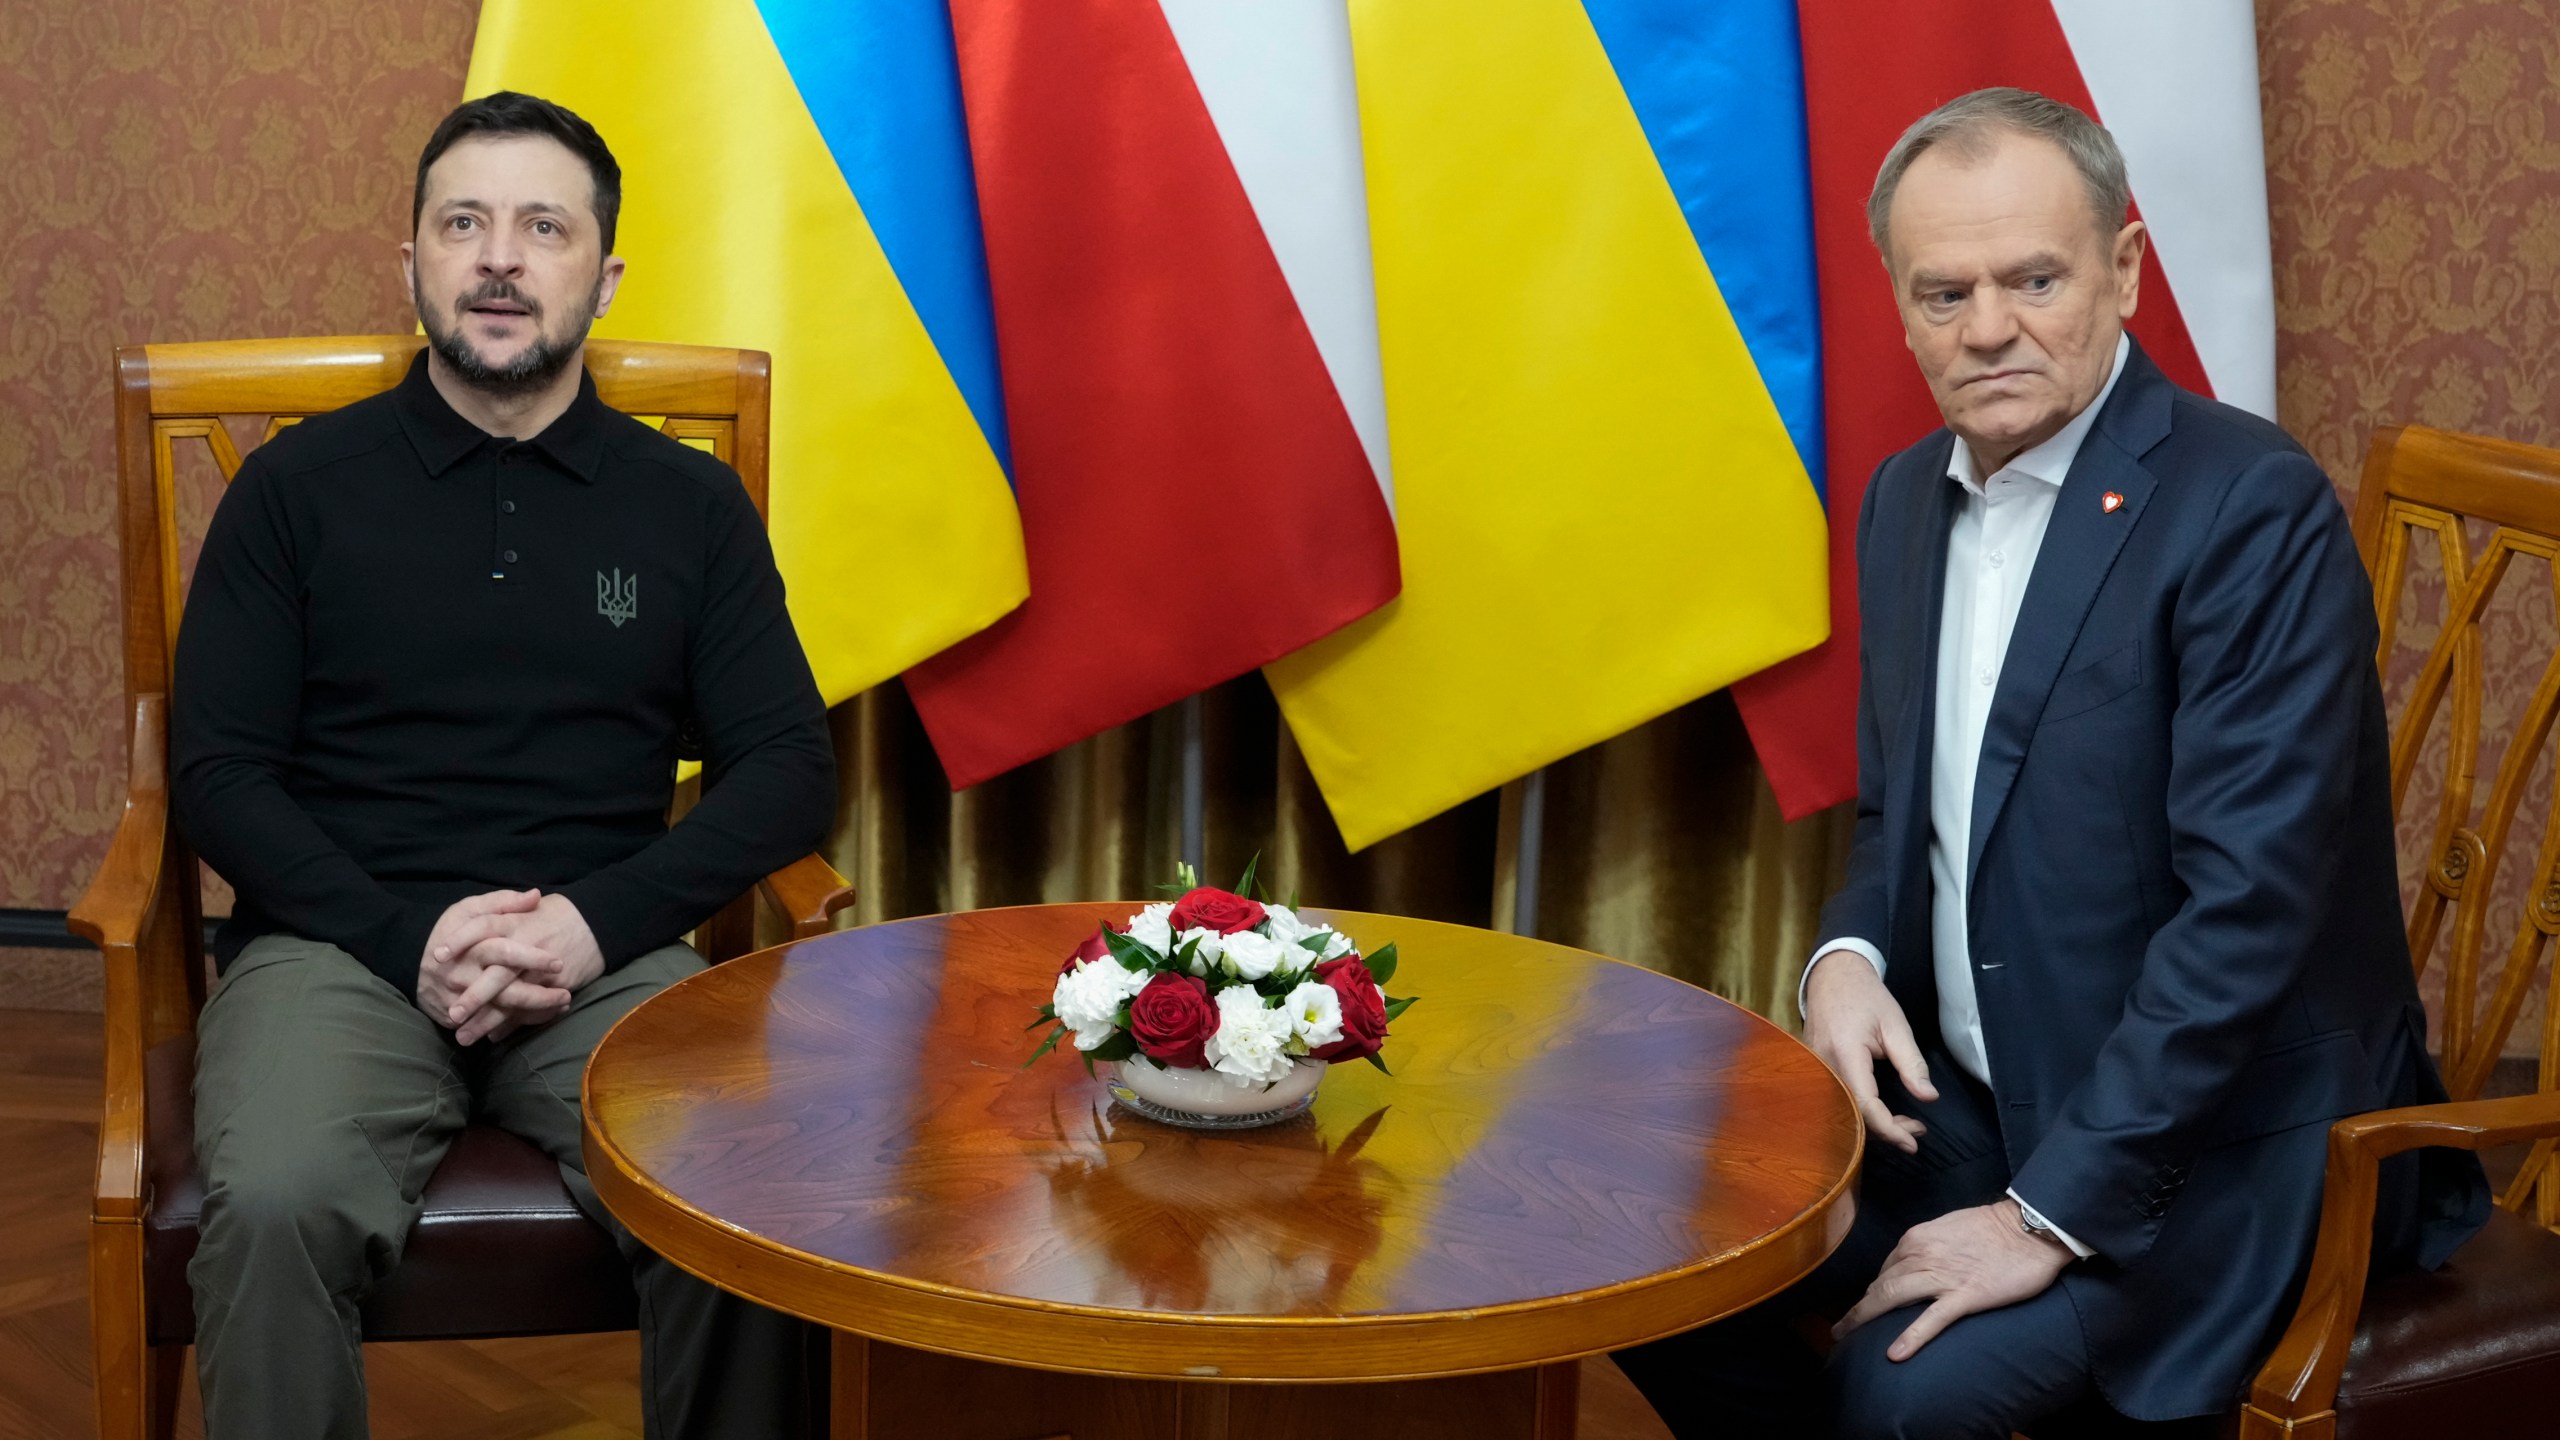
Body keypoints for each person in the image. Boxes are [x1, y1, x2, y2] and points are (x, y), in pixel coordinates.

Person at [1615, 87, 2487, 1439]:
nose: (1989, 329)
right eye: (1944, 291)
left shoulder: (2250, 512)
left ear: (2124, 269)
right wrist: (1840, 965)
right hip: (1972, 1098)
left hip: (2212, 1150)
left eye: (2034, 278)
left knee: (1901, 1402)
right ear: (1899, 308)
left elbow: (2248, 921)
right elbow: (1898, 814)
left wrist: (2045, 1215)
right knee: (1652, 1268)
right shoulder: (1908, 497)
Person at [171, 91, 835, 1439]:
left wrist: (600, 925)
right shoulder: (295, 490)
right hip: (335, 946)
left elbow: (786, 765)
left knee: (748, 1194)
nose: (499, 258)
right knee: (280, 1198)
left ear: (604, 271)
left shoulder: (687, 505)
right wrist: (404, 935)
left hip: (604, 944)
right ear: (409, 257)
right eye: (463, 222)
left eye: (544, 226)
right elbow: (219, 770)